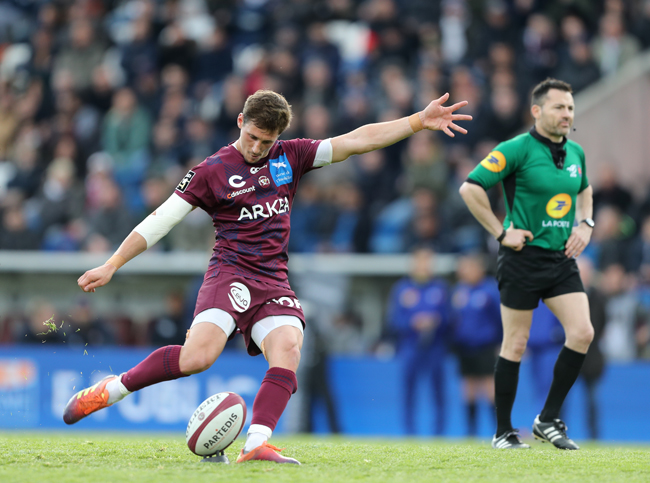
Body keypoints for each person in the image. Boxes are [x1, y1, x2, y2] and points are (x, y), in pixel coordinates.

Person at [65, 90, 471, 464]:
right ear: (240, 121)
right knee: (197, 358)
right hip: (229, 274)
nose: (258, 148)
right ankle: (112, 389)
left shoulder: (289, 156)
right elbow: (161, 220)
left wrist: (417, 121)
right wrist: (112, 263)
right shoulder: (211, 171)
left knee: (289, 348)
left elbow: (355, 140)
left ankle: (256, 443)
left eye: (267, 141)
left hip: (273, 279)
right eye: (253, 137)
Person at [459, 78, 595, 450]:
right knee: (516, 343)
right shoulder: (516, 148)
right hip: (522, 258)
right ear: (537, 110)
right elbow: (470, 188)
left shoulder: (576, 153)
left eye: (570, 107)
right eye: (559, 107)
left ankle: (547, 419)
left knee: (582, 333)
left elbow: (585, 189)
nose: (567, 114)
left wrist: (586, 224)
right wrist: (501, 233)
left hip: (560, 258)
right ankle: (503, 432)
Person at [387, 247, 450, 435]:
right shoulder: (402, 288)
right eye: (420, 261)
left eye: (427, 261)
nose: (424, 265)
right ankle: (409, 432)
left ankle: (439, 432)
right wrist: (411, 323)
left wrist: (436, 321)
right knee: (408, 391)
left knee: (438, 391)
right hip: (410, 346)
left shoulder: (440, 288)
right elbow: (393, 320)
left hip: (435, 346)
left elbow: (450, 317)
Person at [450, 253, 502, 437]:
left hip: (486, 346)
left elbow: (500, 318)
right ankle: (471, 431)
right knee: (468, 387)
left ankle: (499, 429)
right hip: (464, 347)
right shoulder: (459, 291)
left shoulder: (490, 290)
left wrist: (500, 342)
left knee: (489, 387)